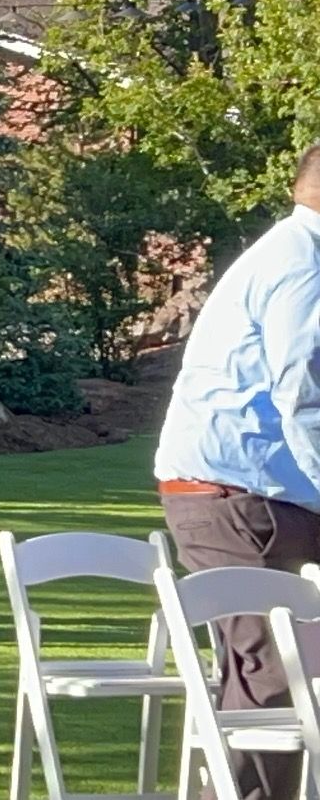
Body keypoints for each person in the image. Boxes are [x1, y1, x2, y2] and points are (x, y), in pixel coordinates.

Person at [155, 143, 320, 800]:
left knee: (286, 674)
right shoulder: (304, 266)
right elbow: (305, 399)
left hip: (261, 496)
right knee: (274, 677)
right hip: (240, 500)